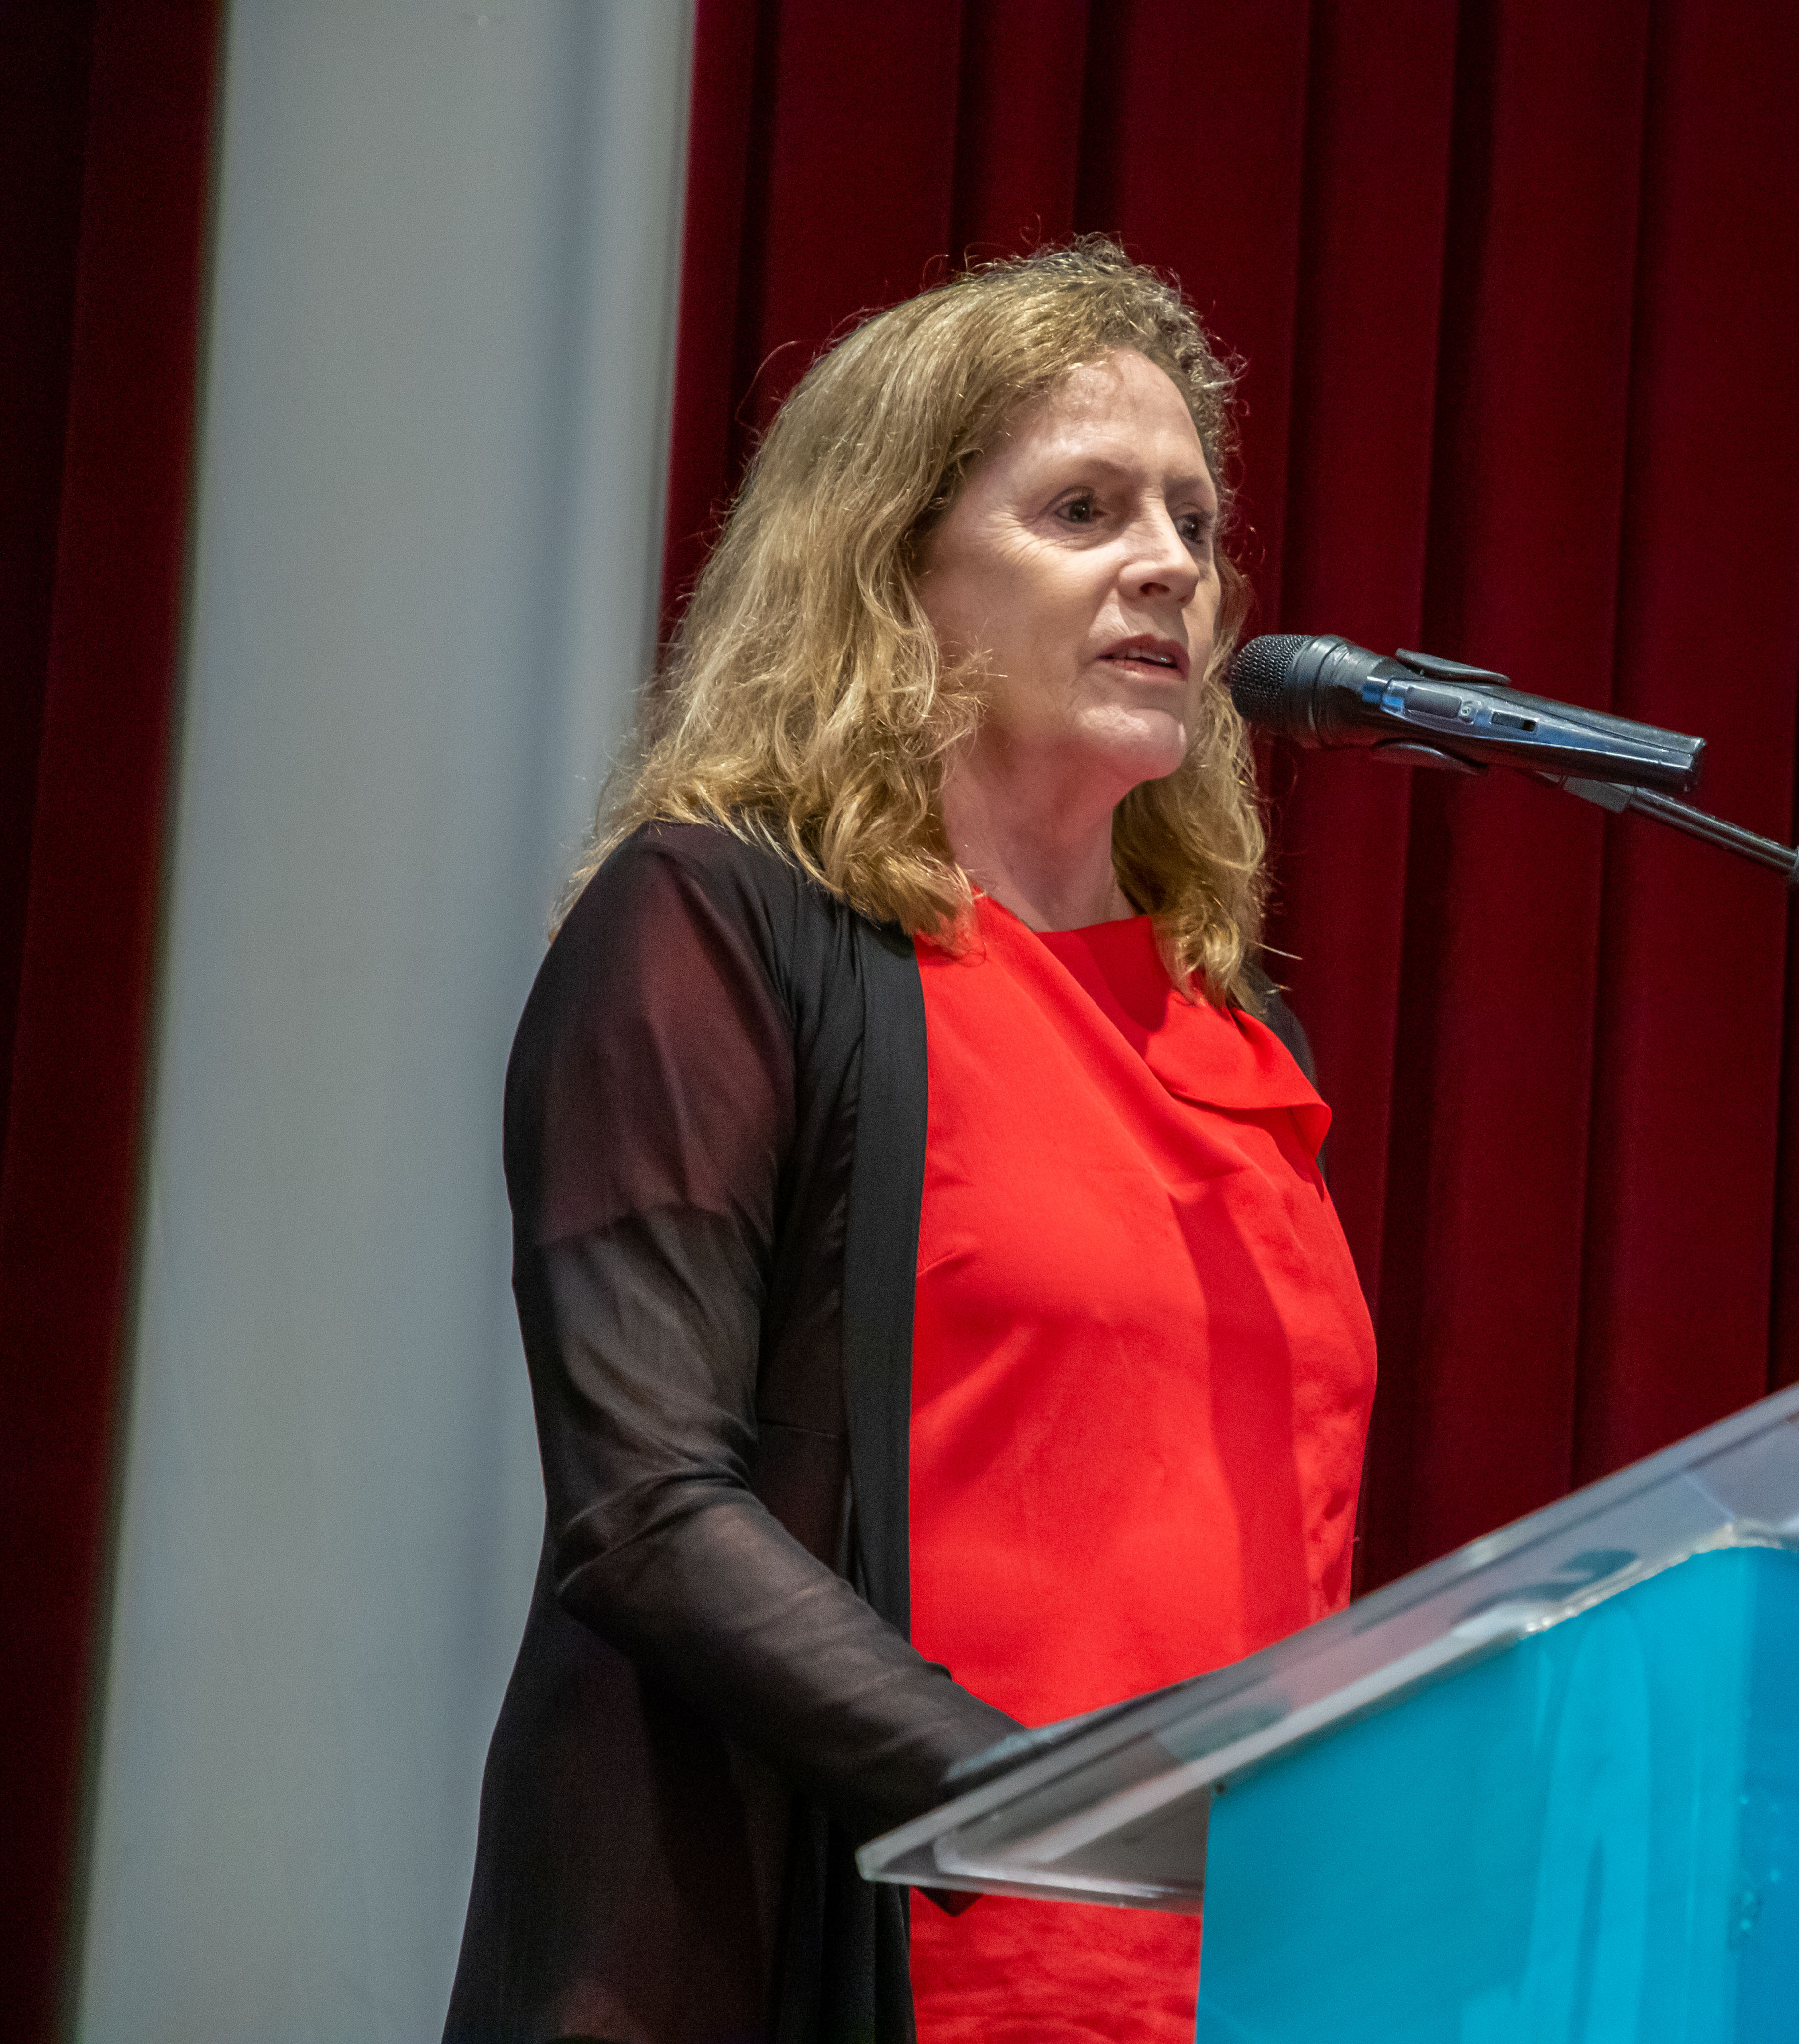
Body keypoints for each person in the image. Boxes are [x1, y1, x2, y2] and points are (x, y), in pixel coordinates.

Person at [444, 240, 1377, 2044]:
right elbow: (645, 1513)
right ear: (889, 571)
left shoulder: (1239, 1039)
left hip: (1218, 1985)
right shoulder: (721, 926)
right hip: (858, 1962)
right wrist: (1044, 1811)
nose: (1171, 565)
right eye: (1085, 509)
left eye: (1193, 520)